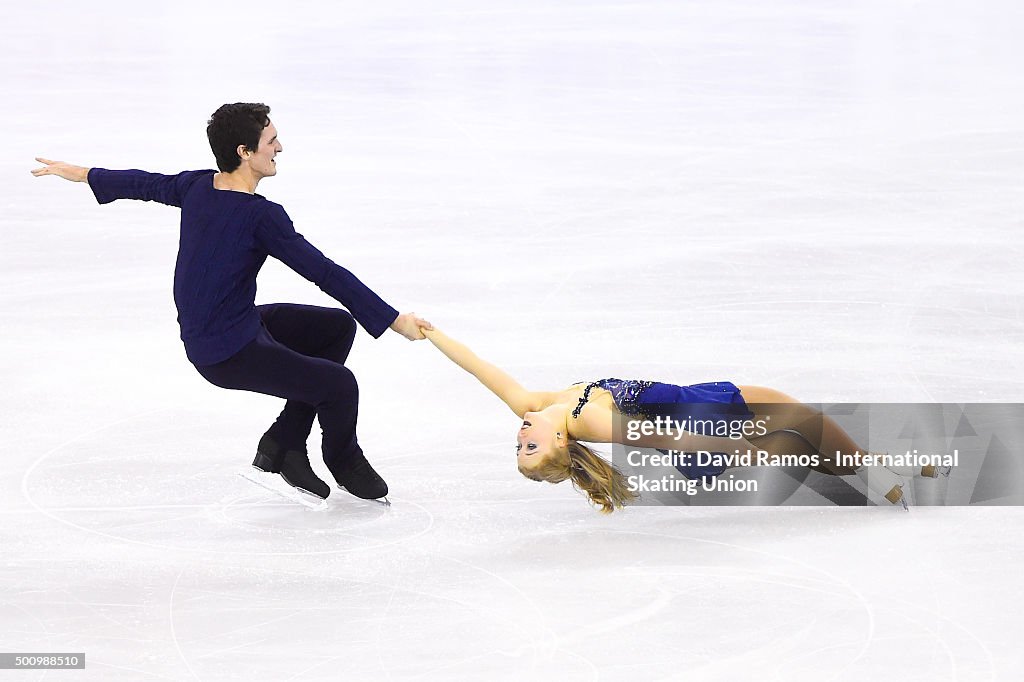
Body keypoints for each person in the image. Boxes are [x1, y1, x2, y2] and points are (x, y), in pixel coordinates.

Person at [31, 102, 431, 503]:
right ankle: (343, 461)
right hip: (226, 351)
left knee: (336, 328)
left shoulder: (198, 187)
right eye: (271, 141)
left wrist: (85, 174)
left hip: (230, 326)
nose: (280, 148)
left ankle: (284, 445)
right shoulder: (260, 216)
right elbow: (323, 273)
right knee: (339, 387)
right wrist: (394, 320)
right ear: (244, 151)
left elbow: (145, 184)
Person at [421, 327, 944, 512]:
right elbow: (660, 435)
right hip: (700, 420)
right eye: (529, 448)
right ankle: (884, 472)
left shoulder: (531, 404)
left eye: (518, 448)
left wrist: (431, 333)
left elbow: (479, 368)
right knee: (806, 424)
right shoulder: (593, 424)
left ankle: (889, 472)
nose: (519, 438)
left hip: (695, 418)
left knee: (812, 441)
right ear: (559, 441)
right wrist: (739, 449)